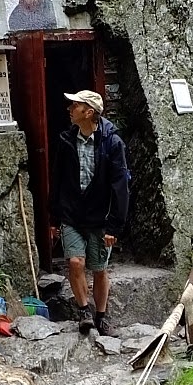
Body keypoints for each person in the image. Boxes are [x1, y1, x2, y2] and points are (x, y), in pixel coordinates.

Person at [49, 90, 130, 336]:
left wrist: (114, 226)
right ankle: (84, 312)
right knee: (75, 262)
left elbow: (120, 185)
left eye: (75, 106)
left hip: (100, 217)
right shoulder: (66, 140)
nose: (69, 109)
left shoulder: (112, 143)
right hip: (72, 215)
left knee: (98, 268)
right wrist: (54, 217)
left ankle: (101, 316)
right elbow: (58, 180)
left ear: (89, 112)